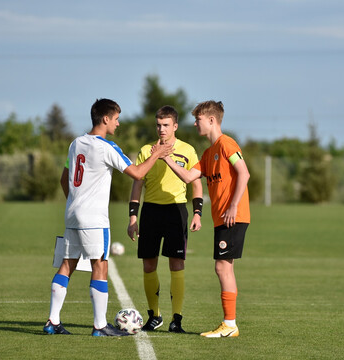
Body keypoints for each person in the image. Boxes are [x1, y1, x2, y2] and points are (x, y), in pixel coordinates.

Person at [43, 98, 172, 337]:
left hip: (72, 214)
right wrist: (158, 154)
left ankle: (52, 321)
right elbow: (137, 173)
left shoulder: (75, 143)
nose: (118, 123)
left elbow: (64, 178)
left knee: (67, 264)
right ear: (105, 119)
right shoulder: (106, 147)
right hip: (94, 219)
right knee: (100, 265)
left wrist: (75, 202)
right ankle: (100, 326)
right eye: (116, 119)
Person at [161, 100, 250, 338]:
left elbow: (244, 172)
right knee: (223, 268)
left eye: (198, 119)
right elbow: (190, 176)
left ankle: (230, 324)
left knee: (222, 268)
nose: (194, 123)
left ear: (211, 120)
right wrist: (167, 159)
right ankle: (229, 324)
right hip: (223, 218)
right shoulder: (209, 153)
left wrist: (233, 206)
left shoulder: (226, 144)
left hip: (233, 216)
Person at [127, 105, 203, 333]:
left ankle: (176, 319)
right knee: (149, 265)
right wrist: (133, 217)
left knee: (176, 264)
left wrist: (198, 212)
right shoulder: (146, 150)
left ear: (175, 126)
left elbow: (196, 183)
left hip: (176, 211)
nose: (161, 129)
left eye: (166, 125)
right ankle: (155, 316)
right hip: (150, 212)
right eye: (158, 125)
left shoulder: (187, 150)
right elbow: (137, 185)